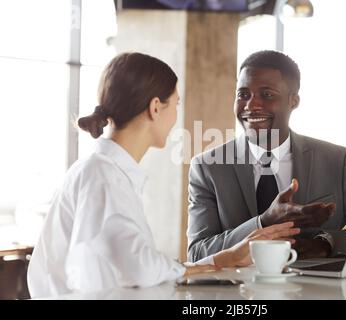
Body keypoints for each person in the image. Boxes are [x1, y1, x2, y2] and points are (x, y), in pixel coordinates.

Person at [27, 52, 300, 298]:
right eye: (176, 105)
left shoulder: (107, 172)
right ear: (155, 107)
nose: (175, 119)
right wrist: (217, 262)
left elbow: (134, 265)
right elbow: (139, 268)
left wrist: (222, 259)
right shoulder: (102, 175)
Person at [187, 50, 346, 262]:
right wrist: (264, 222)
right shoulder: (208, 167)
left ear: (293, 101)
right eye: (243, 94)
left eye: (267, 95)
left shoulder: (336, 161)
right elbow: (197, 253)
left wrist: (327, 243)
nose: (251, 105)